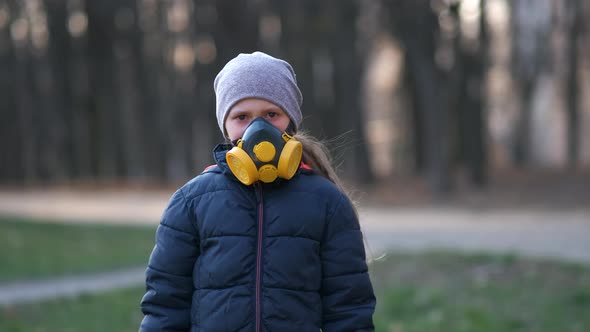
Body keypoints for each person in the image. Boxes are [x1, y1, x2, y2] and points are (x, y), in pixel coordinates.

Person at [139, 51, 376, 332]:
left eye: (271, 114)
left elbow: (349, 309)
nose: (257, 128)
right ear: (225, 127)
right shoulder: (191, 202)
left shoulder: (327, 203)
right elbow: (165, 306)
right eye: (241, 116)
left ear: (291, 121)